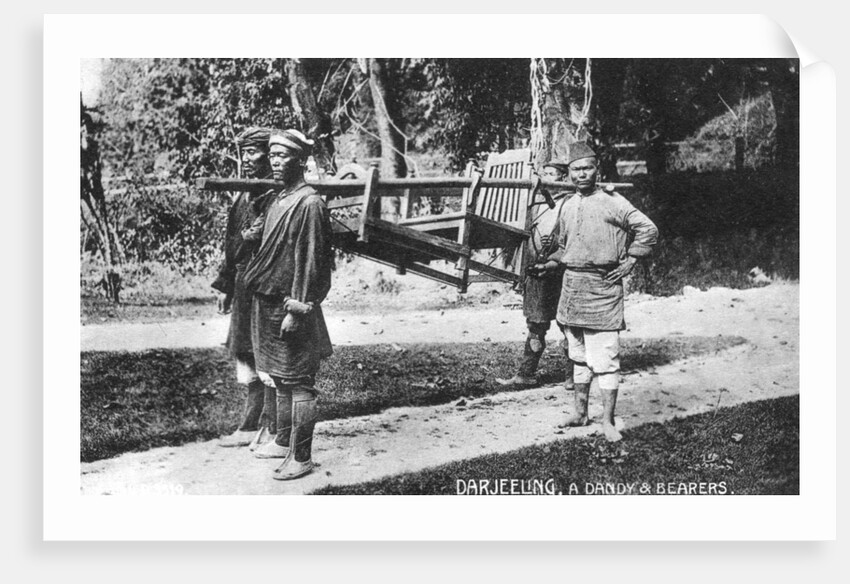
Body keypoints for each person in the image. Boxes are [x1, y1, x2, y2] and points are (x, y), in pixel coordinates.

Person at [541, 142, 658, 442]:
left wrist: (631, 260)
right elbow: (564, 247)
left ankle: (607, 421)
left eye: (586, 168)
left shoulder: (614, 202)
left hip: (602, 288)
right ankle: (580, 413)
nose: (581, 174)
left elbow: (648, 229)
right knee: (578, 357)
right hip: (572, 289)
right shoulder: (566, 205)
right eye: (575, 170)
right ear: (568, 174)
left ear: (597, 170)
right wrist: (551, 264)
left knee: (605, 360)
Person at [242, 129, 334, 480]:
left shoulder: (309, 204)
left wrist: (298, 309)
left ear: (300, 161)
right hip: (268, 304)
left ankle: (302, 456)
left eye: (283, 156)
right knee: (279, 378)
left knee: (299, 382)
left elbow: (311, 263)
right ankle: (283, 440)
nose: (276, 162)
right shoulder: (279, 199)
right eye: (273, 156)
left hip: (291, 307)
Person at [213, 127, 279, 449]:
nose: (248, 159)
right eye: (245, 152)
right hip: (242, 285)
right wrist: (225, 286)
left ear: (270, 155)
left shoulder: (279, 198)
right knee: (245, 351)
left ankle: (270, 425)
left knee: (266, 353)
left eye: (254, 152)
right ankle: (250, 423)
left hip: (266, 284)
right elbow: (231, 245)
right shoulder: (242, 196)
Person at [496, 161, 574, 392]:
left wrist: (555, 257)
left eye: (553, 175)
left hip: (561, 272)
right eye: (545, 174)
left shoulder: (570, 202)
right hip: (537, 271)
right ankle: (525, 374)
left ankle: (573, 376)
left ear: (562, 178)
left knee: (567, 324)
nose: (547, 178)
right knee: (536, 325)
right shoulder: (535, 201)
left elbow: (571, 238)